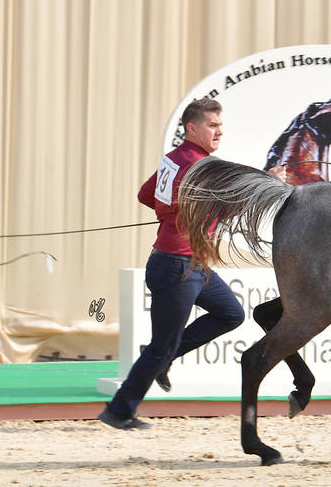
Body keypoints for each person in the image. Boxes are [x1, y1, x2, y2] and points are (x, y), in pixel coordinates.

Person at [98, 97, 245, 430]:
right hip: (178, 266)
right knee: (160, 346)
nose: (219, 131)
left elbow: (145, 196)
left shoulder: (174, 158)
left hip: (187, 263)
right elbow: (226, 207)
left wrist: (170, 215)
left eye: (220, 124)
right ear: (192, 128)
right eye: (212, 124)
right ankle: (119, 411)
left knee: (231, 314)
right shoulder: (202, 165)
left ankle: (166, 358)